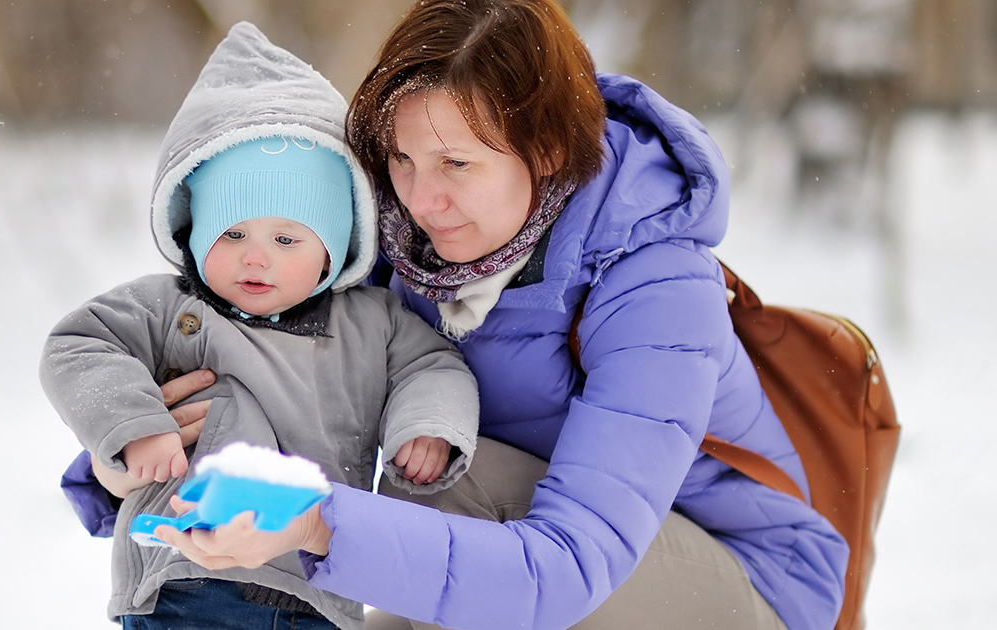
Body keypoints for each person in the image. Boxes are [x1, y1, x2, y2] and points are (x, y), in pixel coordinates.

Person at [144, 2, 853, 630]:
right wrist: (144, 444)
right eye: (401, 158)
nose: (422, 200)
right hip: (528, 542)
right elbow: (286, 370)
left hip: (743, 579)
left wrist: (318, 523)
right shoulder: (406, 251)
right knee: (430, 501)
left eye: (456, 163)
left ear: (544, 151)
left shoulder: (655, 286)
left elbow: (568, 566)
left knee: (445, 487)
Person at [42, 22, 479, 630]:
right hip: (187, 579)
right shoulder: (173, 308)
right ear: (194, 234)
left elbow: (434, 365)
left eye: (285, 238)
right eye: (233, 233)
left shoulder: (374, 322)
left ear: (334, 248)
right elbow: (79, 345)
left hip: (317, 593)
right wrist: (131, 427)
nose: (256, 257)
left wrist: (426, 426)